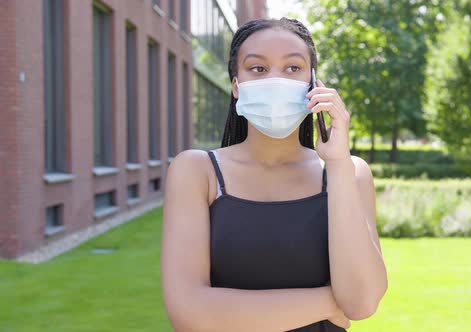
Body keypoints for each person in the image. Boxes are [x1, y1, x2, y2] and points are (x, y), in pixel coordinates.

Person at [161, 17, 388, 332]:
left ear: (314, 84)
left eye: (293, 68)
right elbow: (189, 314)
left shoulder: (350, 173)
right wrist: (328, 301)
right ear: (236, 86)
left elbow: (361, 302)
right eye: (258, 69)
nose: (276, 79)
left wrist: (337, 163)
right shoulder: (197, 172)